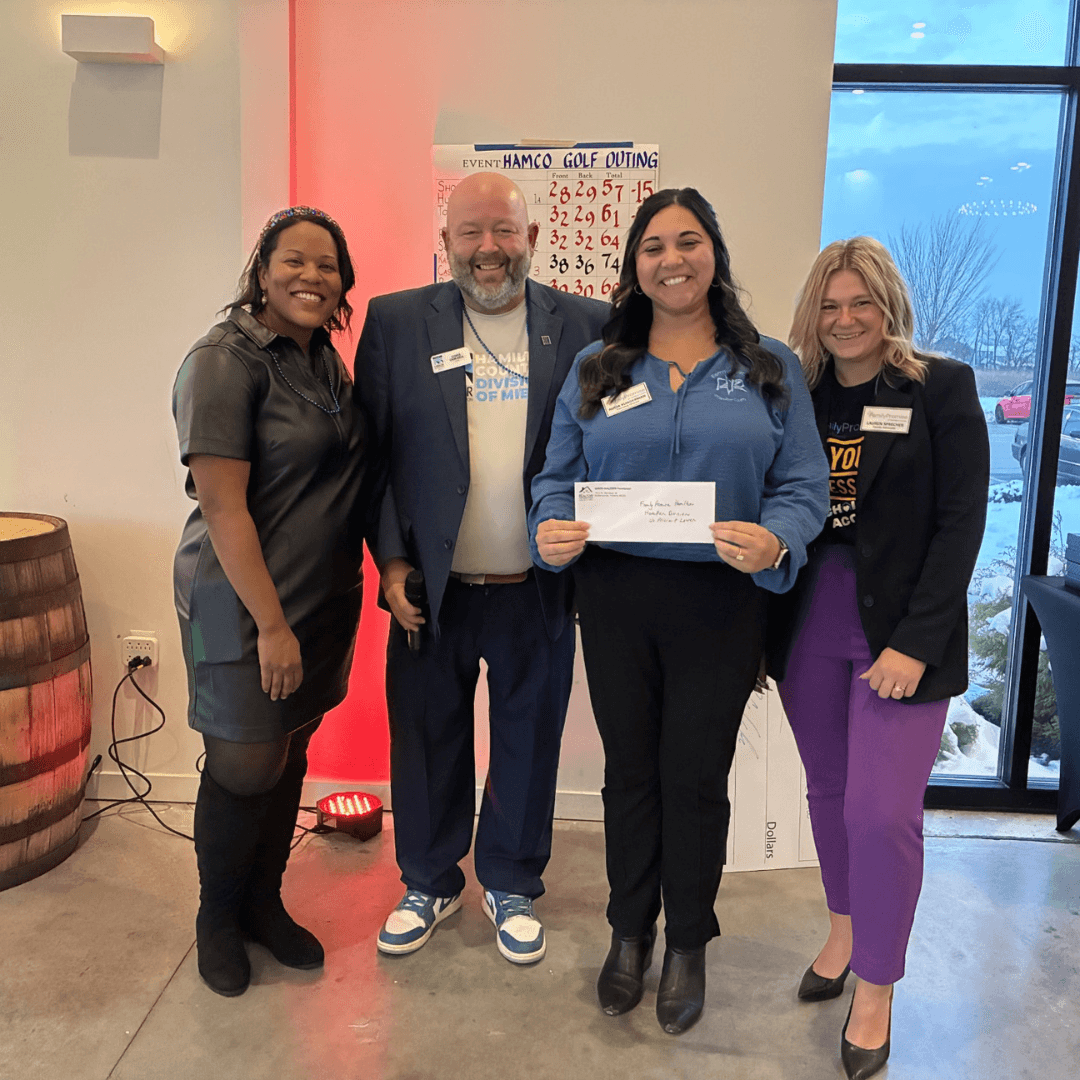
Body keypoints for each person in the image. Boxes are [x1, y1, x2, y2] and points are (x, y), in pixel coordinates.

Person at [529, 187, 829, 1034]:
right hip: (616, 598)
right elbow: (555, 477)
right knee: (629, 772)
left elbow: (805, 485)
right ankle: (630, 931)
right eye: (654, 246)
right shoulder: (598, 368)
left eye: (689, 242)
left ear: (714, 256)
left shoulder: (768, 366)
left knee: (694, 777)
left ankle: (688, 939)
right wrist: (549, 527)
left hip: (721, 600)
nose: (673, 259)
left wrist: (777, 540)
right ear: (635, 266)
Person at [353, 172, 607, 964]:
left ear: (532, 238)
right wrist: (391, 561)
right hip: (432, 590)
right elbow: (373, 459)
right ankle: (428, 880)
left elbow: (609, 451)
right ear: (447, 241)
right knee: (427, 737)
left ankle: (511, 881)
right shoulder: (397, 322)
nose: (487, 247)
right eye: (470, 232)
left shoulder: (587, 325)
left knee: (529, 738)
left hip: (538, 587)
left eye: (503, 230)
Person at [768, 236, 989, 1079]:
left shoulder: (941, 388)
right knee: (828, 793)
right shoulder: (796, 393)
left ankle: (877, 985)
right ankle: (844, 930)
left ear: (889, 304)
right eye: (830, 305)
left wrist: (915, 643)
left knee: (881, 813)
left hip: (902, 628)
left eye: (861, 301)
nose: (846, 318)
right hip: (809, 618)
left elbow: (961, 522)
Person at [173, 206, 371, 997]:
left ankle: (263, 902)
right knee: (244, 762)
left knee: (289, 749)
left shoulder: (322, 360)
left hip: (320, 599)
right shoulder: (224, 362)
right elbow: (224, 508)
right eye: (295, 260)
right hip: (245, 605)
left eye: (328, 266)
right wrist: (272, 625)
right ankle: (217, 919)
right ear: (262, 270)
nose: (311, 277)